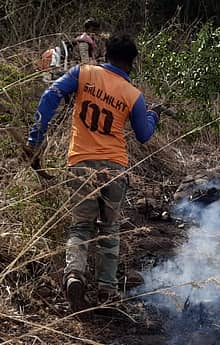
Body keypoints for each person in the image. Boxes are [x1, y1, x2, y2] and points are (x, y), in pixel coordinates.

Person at [24, 34, 160, 312]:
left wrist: (35, 140)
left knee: (80, 226)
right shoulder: (133, 94)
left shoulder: (83, 73)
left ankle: (74, 275)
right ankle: (107, 290)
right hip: (114, 167)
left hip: (81, 163)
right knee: (110, 229)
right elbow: (144, 135)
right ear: (132, 63)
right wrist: (153, 116)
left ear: (105, 54)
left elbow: (50, 95)